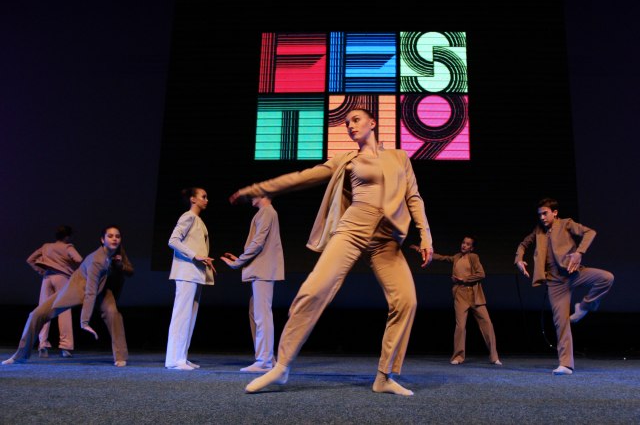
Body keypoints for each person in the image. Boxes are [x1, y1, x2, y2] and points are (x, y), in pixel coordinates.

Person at [230, 108, 433, 396]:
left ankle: (384, 376)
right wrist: (257, 189)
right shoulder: (346, 160)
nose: (350, 126)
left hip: (386, 240)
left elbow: (413, 197)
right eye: (347, 123)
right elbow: (301, 177)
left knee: (406, 301)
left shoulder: (399, 157)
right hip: (352, 229)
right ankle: (282, 366)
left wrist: (426, 236)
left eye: (356, 120)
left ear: (373, 122)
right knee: (313, 291)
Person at [3, 226, 130, 367]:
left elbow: (128, 272)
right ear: (102, 239)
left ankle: (120, 356)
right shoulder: (96, 260)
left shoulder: (117, 255)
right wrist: (84, 322)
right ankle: (20, 355)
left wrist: (118, 265)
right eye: (110, 236)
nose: (114, 239)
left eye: (117, 236)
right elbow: (90, 291)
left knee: (113, 314)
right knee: (37, 314)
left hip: (102, 290)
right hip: (79, 289)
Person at [515, 198, 614, 375]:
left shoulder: (566, 224)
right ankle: (566, 364)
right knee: (561, 322)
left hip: (574, 274)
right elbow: (524, 244)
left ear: (554, 212)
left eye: (545, 213)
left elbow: (590, 232)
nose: (542, 217)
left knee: (606, 278)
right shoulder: (538, 230)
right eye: (540, 215)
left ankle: (584, 306)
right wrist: (519, 259)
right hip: (555, 283)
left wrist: (579, 253)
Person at [411, 236, 501, 366]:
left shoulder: (473, 257)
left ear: (471, 248)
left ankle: (494, 357)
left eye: (468, 244)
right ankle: (458, 356)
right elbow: (441, 257)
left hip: (474, 295)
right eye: (463, 242)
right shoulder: (456, 257)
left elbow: (481, 274)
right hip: (460, 295)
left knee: (487, 323)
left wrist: (464, 279)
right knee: (460, 327)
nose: (464, 245)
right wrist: (422, 251)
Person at [220, 195, 284, 373]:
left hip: (263, 271)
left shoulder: (266, 212)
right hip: (260, 269)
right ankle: (267, 358)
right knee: (256, 312)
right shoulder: (265, 213)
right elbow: (259, 245)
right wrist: (242, 260)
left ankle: (264, 361)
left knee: (262, 315)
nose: (250, 198)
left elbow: (258, 243)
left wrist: (238, 262)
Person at [165, 187, 216, 371]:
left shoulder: (198, 220)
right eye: (203, 196)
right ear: (193, 199)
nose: (206, 200)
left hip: (195, 273)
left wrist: (204, 260)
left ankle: (182, 357)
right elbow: (173, 240)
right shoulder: (188, 217)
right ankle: (174, 359)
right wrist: (195, 255)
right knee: (182, 315)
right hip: (186, 272)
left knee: (190, 316)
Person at [26, 225, 83, 358]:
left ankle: (42, 345)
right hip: (62, 278)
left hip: (47, 279)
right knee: (64, 311)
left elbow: (30, 260)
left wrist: (41, 271)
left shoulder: (46, 246)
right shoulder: (68, 247)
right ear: (68, 236)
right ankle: (65, 347)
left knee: (43, 310)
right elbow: (79, 260)